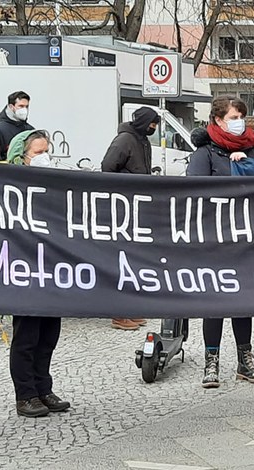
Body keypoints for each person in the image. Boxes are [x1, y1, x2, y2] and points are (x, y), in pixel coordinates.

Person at [186, 95, 254, 387]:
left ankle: (245, 361)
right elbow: (193, 193)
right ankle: (212, 362)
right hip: (214, 239)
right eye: (233, 117)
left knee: (243, 300)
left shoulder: (251, 151)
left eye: (241, 116)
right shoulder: (205, 153)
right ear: (218, 120)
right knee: (216, 301)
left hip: (244, 238)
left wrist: (247, 167)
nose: (239, 122)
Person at [6, 130, 70, 417]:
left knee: (48, 335)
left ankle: (44, 388)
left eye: (47, 150)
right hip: (24, 272)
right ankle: (25, 394)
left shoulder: (53, 183)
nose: (44, 156)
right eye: (38, 151)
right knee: (27, 337)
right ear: (22, 154)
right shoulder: (8, 183)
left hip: (50, 271)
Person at [101, 106, 161, 330]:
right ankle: (119, 313)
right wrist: (127, 183)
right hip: (123, 204)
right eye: (152, 123)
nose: (154, 128)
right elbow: (108, 167)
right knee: (122, 260)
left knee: (134, 260)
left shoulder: (141, 140)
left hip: (137, 203)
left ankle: (130, 308)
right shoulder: (125, 140)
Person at [0, 91, 34, 160]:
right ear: (11, 106)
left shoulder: (30, 130)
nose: (24, 109)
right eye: (21, 106)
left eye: (26, 106)